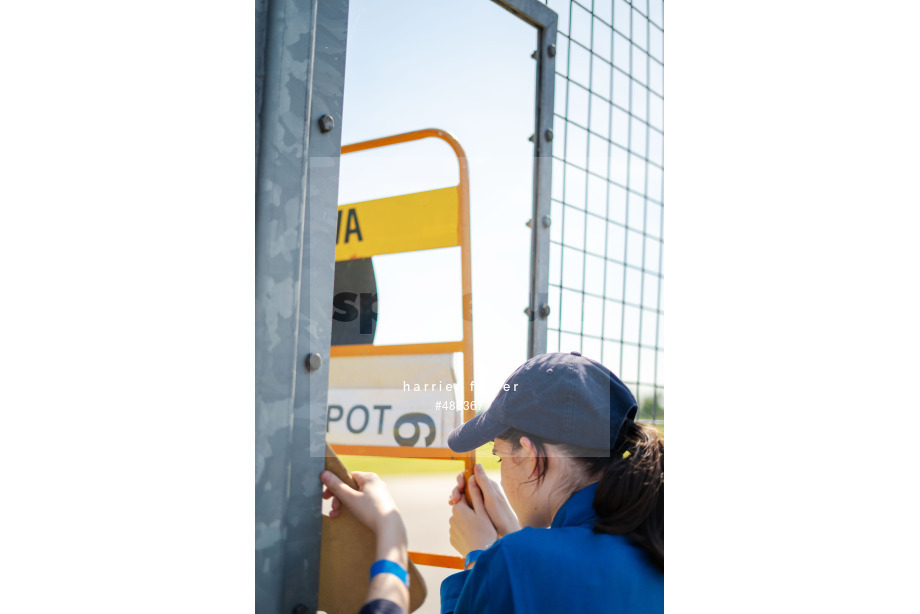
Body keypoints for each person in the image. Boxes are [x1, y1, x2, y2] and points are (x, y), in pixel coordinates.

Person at [322, 351, 664, 613]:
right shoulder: (655, 538)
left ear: (530, 457)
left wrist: (479, 558)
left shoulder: (516, 561)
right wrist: (512, 542)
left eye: (500, 456)